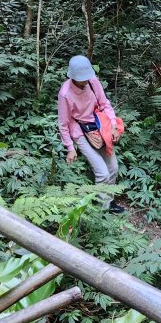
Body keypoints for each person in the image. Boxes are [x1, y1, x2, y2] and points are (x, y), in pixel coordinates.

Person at [57, 55, 124, 212]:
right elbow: (63, 123)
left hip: (99, 126)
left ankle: (109, 202)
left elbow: (104, 103)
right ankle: (101, 212)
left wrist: (113, 125)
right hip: (80, 131)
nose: (86, 80)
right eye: (82, 78)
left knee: (113, 168)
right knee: (102, 173)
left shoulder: (92, 80)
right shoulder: (65, 93)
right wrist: (70, 148)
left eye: (87, 76)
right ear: (73, 76)